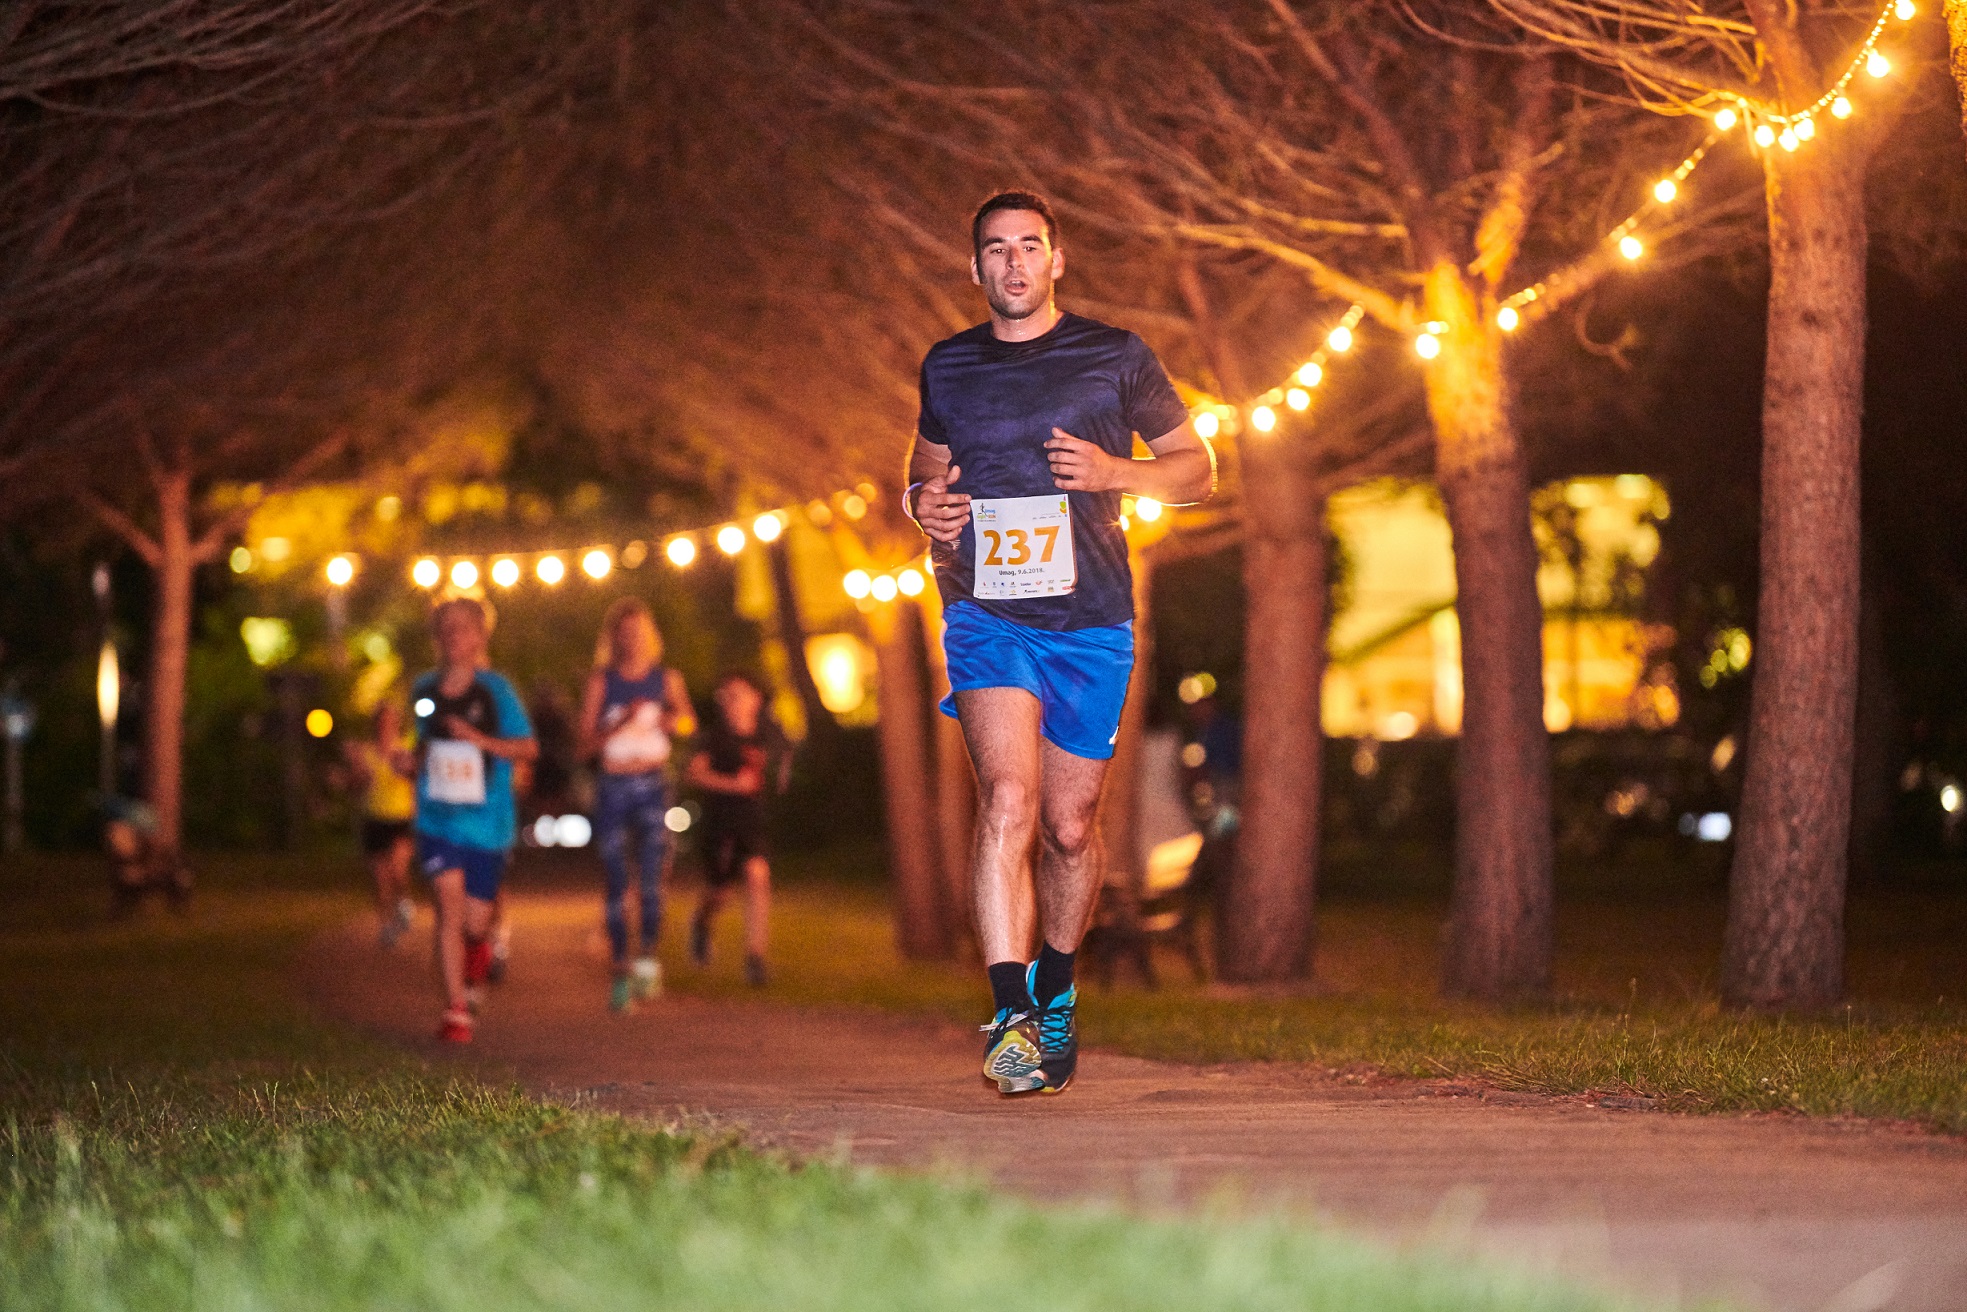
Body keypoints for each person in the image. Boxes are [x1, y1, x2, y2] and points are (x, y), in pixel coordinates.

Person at [906, 190, 1215, 1095]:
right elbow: (924, 475)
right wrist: (919, 509)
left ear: (1055, 259)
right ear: (974, 268)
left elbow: (1197, 470)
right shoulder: (949, 365)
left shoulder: (1114, 356)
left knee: (1069, 829)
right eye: (994, 249)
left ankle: (1056, 989)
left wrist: (1119, 471)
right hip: (984, 612)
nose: (1012, 263)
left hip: (1091, 622)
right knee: (1006, 799)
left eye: (1028, 247)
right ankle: (1007, 1019)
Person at [410, 597, 538, 1043]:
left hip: (488, 822)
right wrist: (408, 761)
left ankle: (478, 958)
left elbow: (527, 748)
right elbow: (423, 750)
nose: (453, 636)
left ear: (480, 637)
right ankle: (456, 1009)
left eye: (462, 628)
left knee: (474, 922)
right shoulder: (423, 690)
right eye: (444, 628)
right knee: (447, 906)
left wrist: (479, 739)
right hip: (437, 818)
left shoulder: (496, 691)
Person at [578, 598, 695, 1013]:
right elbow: (584, 745)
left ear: (651, 636)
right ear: (613, 638)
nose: (633, 641)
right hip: (612, 785)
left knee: (651, 877)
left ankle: (647, 956)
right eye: (624, 633)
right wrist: (620, 723)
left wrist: (669, 720)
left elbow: (687, 722)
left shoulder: (667, 679)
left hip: (652, 784)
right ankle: (620, 967)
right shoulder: (601, 681)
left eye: (639, 632)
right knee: (614, 877)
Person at [685, 671, 778, 988]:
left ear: (756, 699)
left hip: (753, 824)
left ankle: (756, 958)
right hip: (720, 825)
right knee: (719, 893)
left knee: (757, 876)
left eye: (739, 694)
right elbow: (694, 775)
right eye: (727, 697)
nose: (733, 703)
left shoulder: (766, 735)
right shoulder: (714, 738)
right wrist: (732, 785)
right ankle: (701, 925)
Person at [343, 699, 417, 946]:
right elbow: (354, 787)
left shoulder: (406, 747)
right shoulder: (364, 752)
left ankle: (403, 902)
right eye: (381, 721)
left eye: (390, 721)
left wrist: (407, 770)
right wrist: (359, 775)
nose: (385, 726)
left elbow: (418, 778)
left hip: (401, 817)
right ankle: (386, 924)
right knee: (379, 878)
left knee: (398, 869)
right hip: (374, 818)